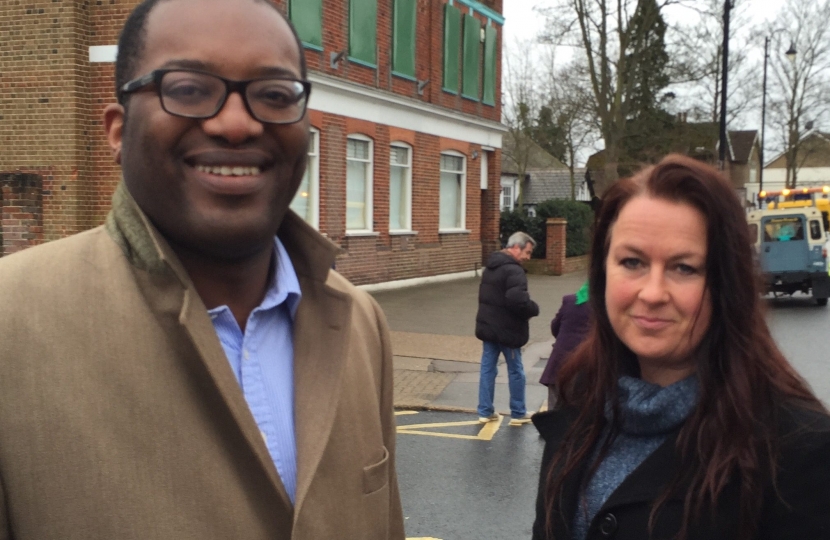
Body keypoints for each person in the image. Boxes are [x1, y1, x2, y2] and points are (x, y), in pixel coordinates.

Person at [0, 1, 404, 538]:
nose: (236, 123)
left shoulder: (361, 322)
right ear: (118, 131)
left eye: (274, 95)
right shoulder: (11, 320)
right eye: (188, 89)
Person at [532, 154, 830, 540]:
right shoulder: (580, 398)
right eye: (632, 261)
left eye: (684, 268)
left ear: (727, 284)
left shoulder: (798, 451)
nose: (652, 293)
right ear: (603, 272)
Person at [475, 231, 540, 426]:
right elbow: (516, 299)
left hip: (488, 327)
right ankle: (518, 412)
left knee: (488, 369)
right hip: (507, 330)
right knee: (515, 370)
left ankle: (485, 411)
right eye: (527, 252)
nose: (528, 258)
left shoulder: (491, 267)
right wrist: (533, 308)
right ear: (516, 248)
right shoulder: (514, 270)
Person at [539, 282, 591, 409]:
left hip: (558, 366)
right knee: (578, 417)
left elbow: (555, 327)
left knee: (553, 416)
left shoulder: (570, 300)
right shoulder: (605, 307)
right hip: (585, 370)